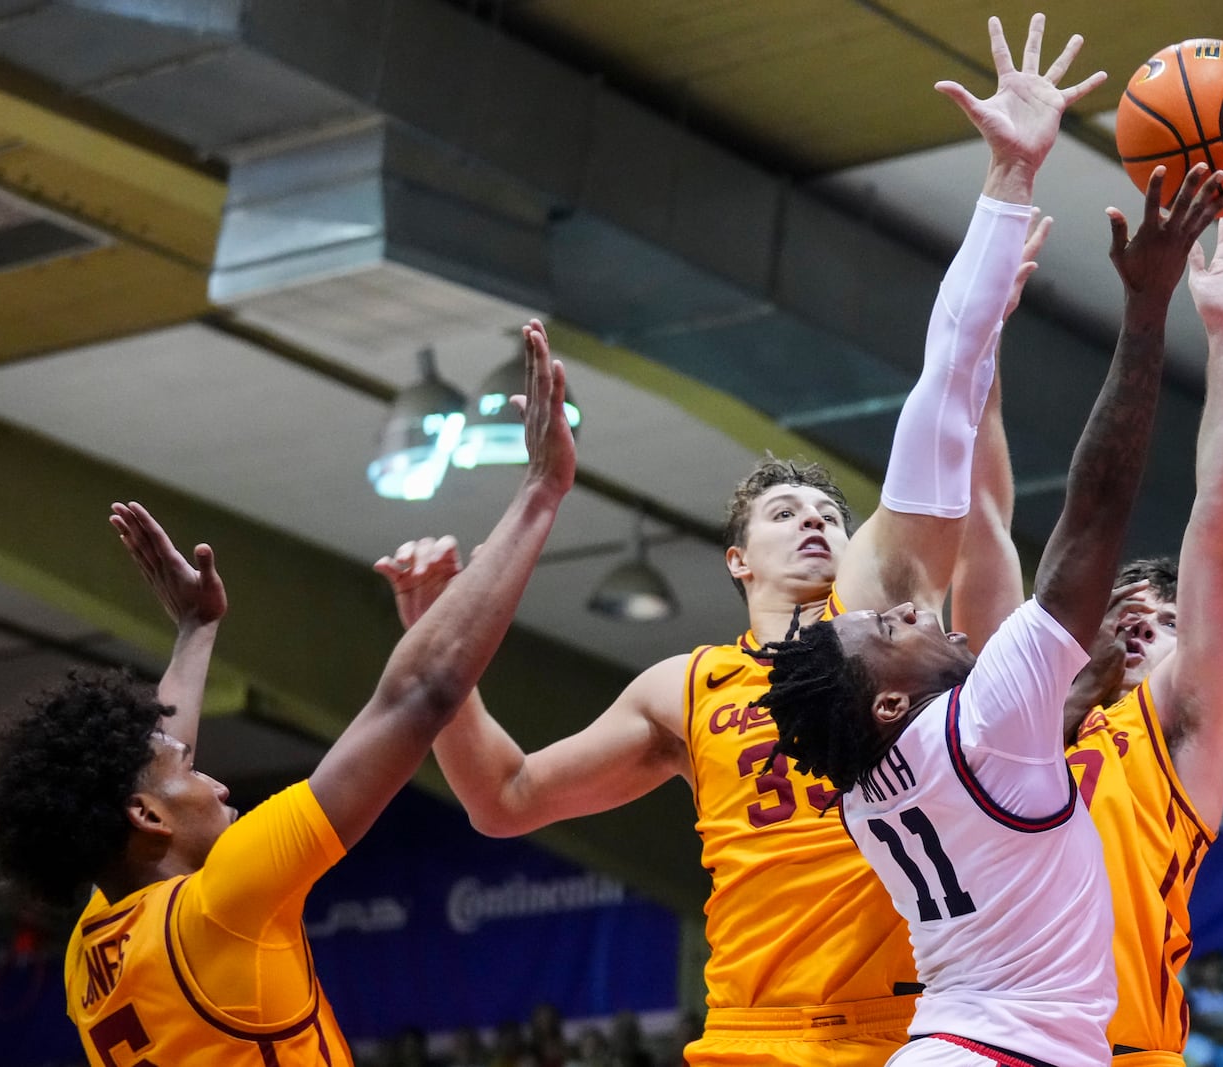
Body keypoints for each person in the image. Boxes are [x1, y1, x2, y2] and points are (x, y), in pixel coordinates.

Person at [378, 14, 1106, 1067]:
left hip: (911, 1031)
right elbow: (504, 799)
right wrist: (433, 644)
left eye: (828, 510)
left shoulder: (880, 622)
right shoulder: (685, 686)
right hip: (749, 1038)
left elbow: (939, 410)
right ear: (736, 560)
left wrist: (1004, 191)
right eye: (783, 511)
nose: (816, 517)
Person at [0, 319, 576, 1065]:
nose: (214, 776)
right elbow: (421, 692)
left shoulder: (93, 951)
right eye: (190, 772)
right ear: (146, 814)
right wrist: (541, 492)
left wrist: (197, 632)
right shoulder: (225, 902)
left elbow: (149, 776)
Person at [750, 163, 1223, 1067]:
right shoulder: (983, 733)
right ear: (887, 701)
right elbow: (1092, 515)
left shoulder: (871, 787)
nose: (914, 617)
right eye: (893, 629)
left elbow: (997, 549)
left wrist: (982, 352)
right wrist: (1147, 307)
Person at [950, 165, 1223, 1067]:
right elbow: (978, 521)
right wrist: (978, 333)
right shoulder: (1012, 713)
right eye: (1127, 603)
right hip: (987, 1042)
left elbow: (1220, 534)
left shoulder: (1183, 732)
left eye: (1165, 616)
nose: (1141, 615)